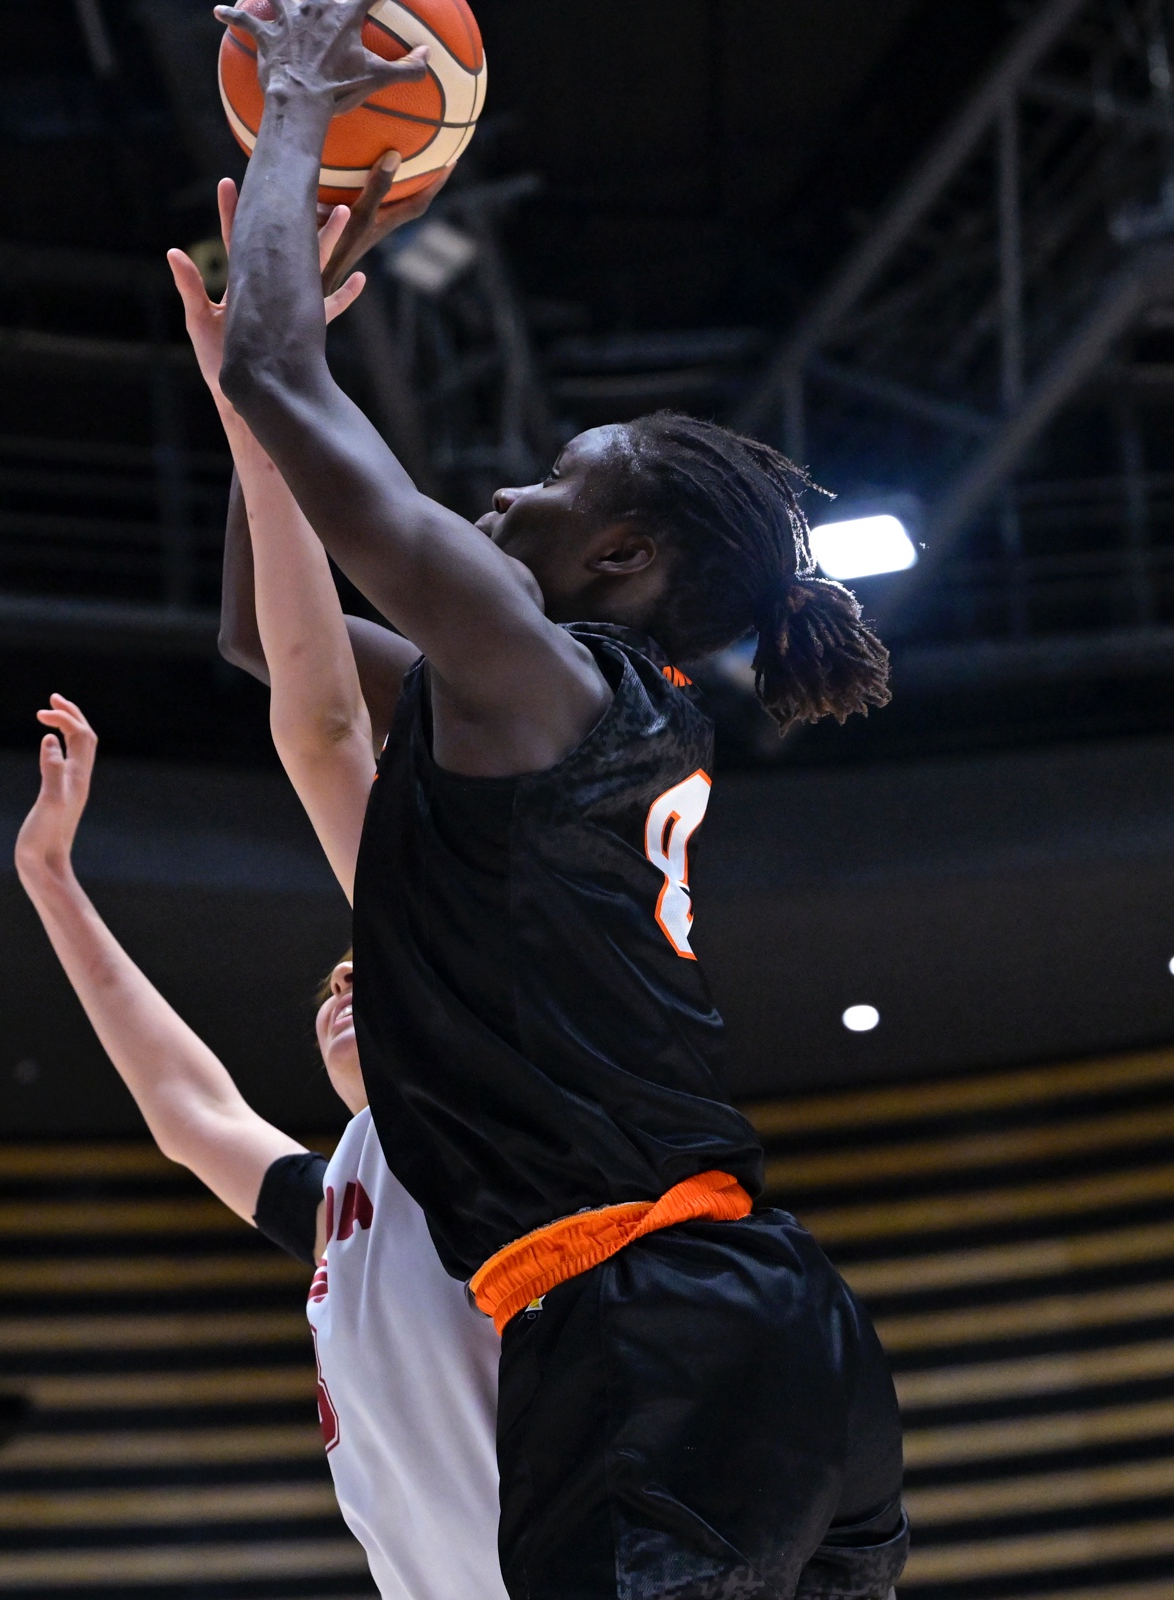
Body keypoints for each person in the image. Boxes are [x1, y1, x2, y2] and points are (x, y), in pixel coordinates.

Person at [208, 3, 909, 1596]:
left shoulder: (538, 677)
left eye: (553, 482)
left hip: (647, 1341)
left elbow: (278, 366)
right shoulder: (576, 713)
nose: (509, 491)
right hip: (773, 1326)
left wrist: (297, 110)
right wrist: (255, 411)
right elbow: (268, 632)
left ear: (623, 557)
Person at [9, 184, 510, 1600]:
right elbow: (192, 1116)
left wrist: (267, 399)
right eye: (340, 983)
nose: (345, 986)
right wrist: (51, 882)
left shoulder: (485, 1093)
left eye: (359, 973)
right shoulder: (348, 1189)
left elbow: (320, 719)